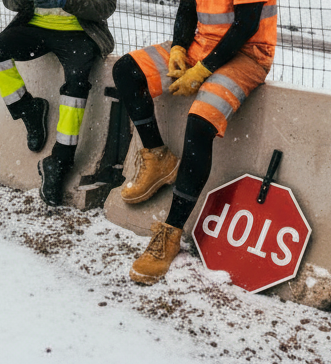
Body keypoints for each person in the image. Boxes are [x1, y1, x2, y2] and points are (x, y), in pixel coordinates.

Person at [111, 0, 277, 284]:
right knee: (126, 71)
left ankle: (171, 232)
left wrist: (202, 69)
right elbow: (187, 8)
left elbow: (245, 26)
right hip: (201, 45)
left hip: (246, 55)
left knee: (200, 124)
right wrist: (178, 47)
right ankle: (158, 156)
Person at [0, 0, 116, 206]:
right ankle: (28, 110)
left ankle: (59, 161)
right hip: (34, 29)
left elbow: (105, 8)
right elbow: (11, 3)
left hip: (79, 34)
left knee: (77, 82)